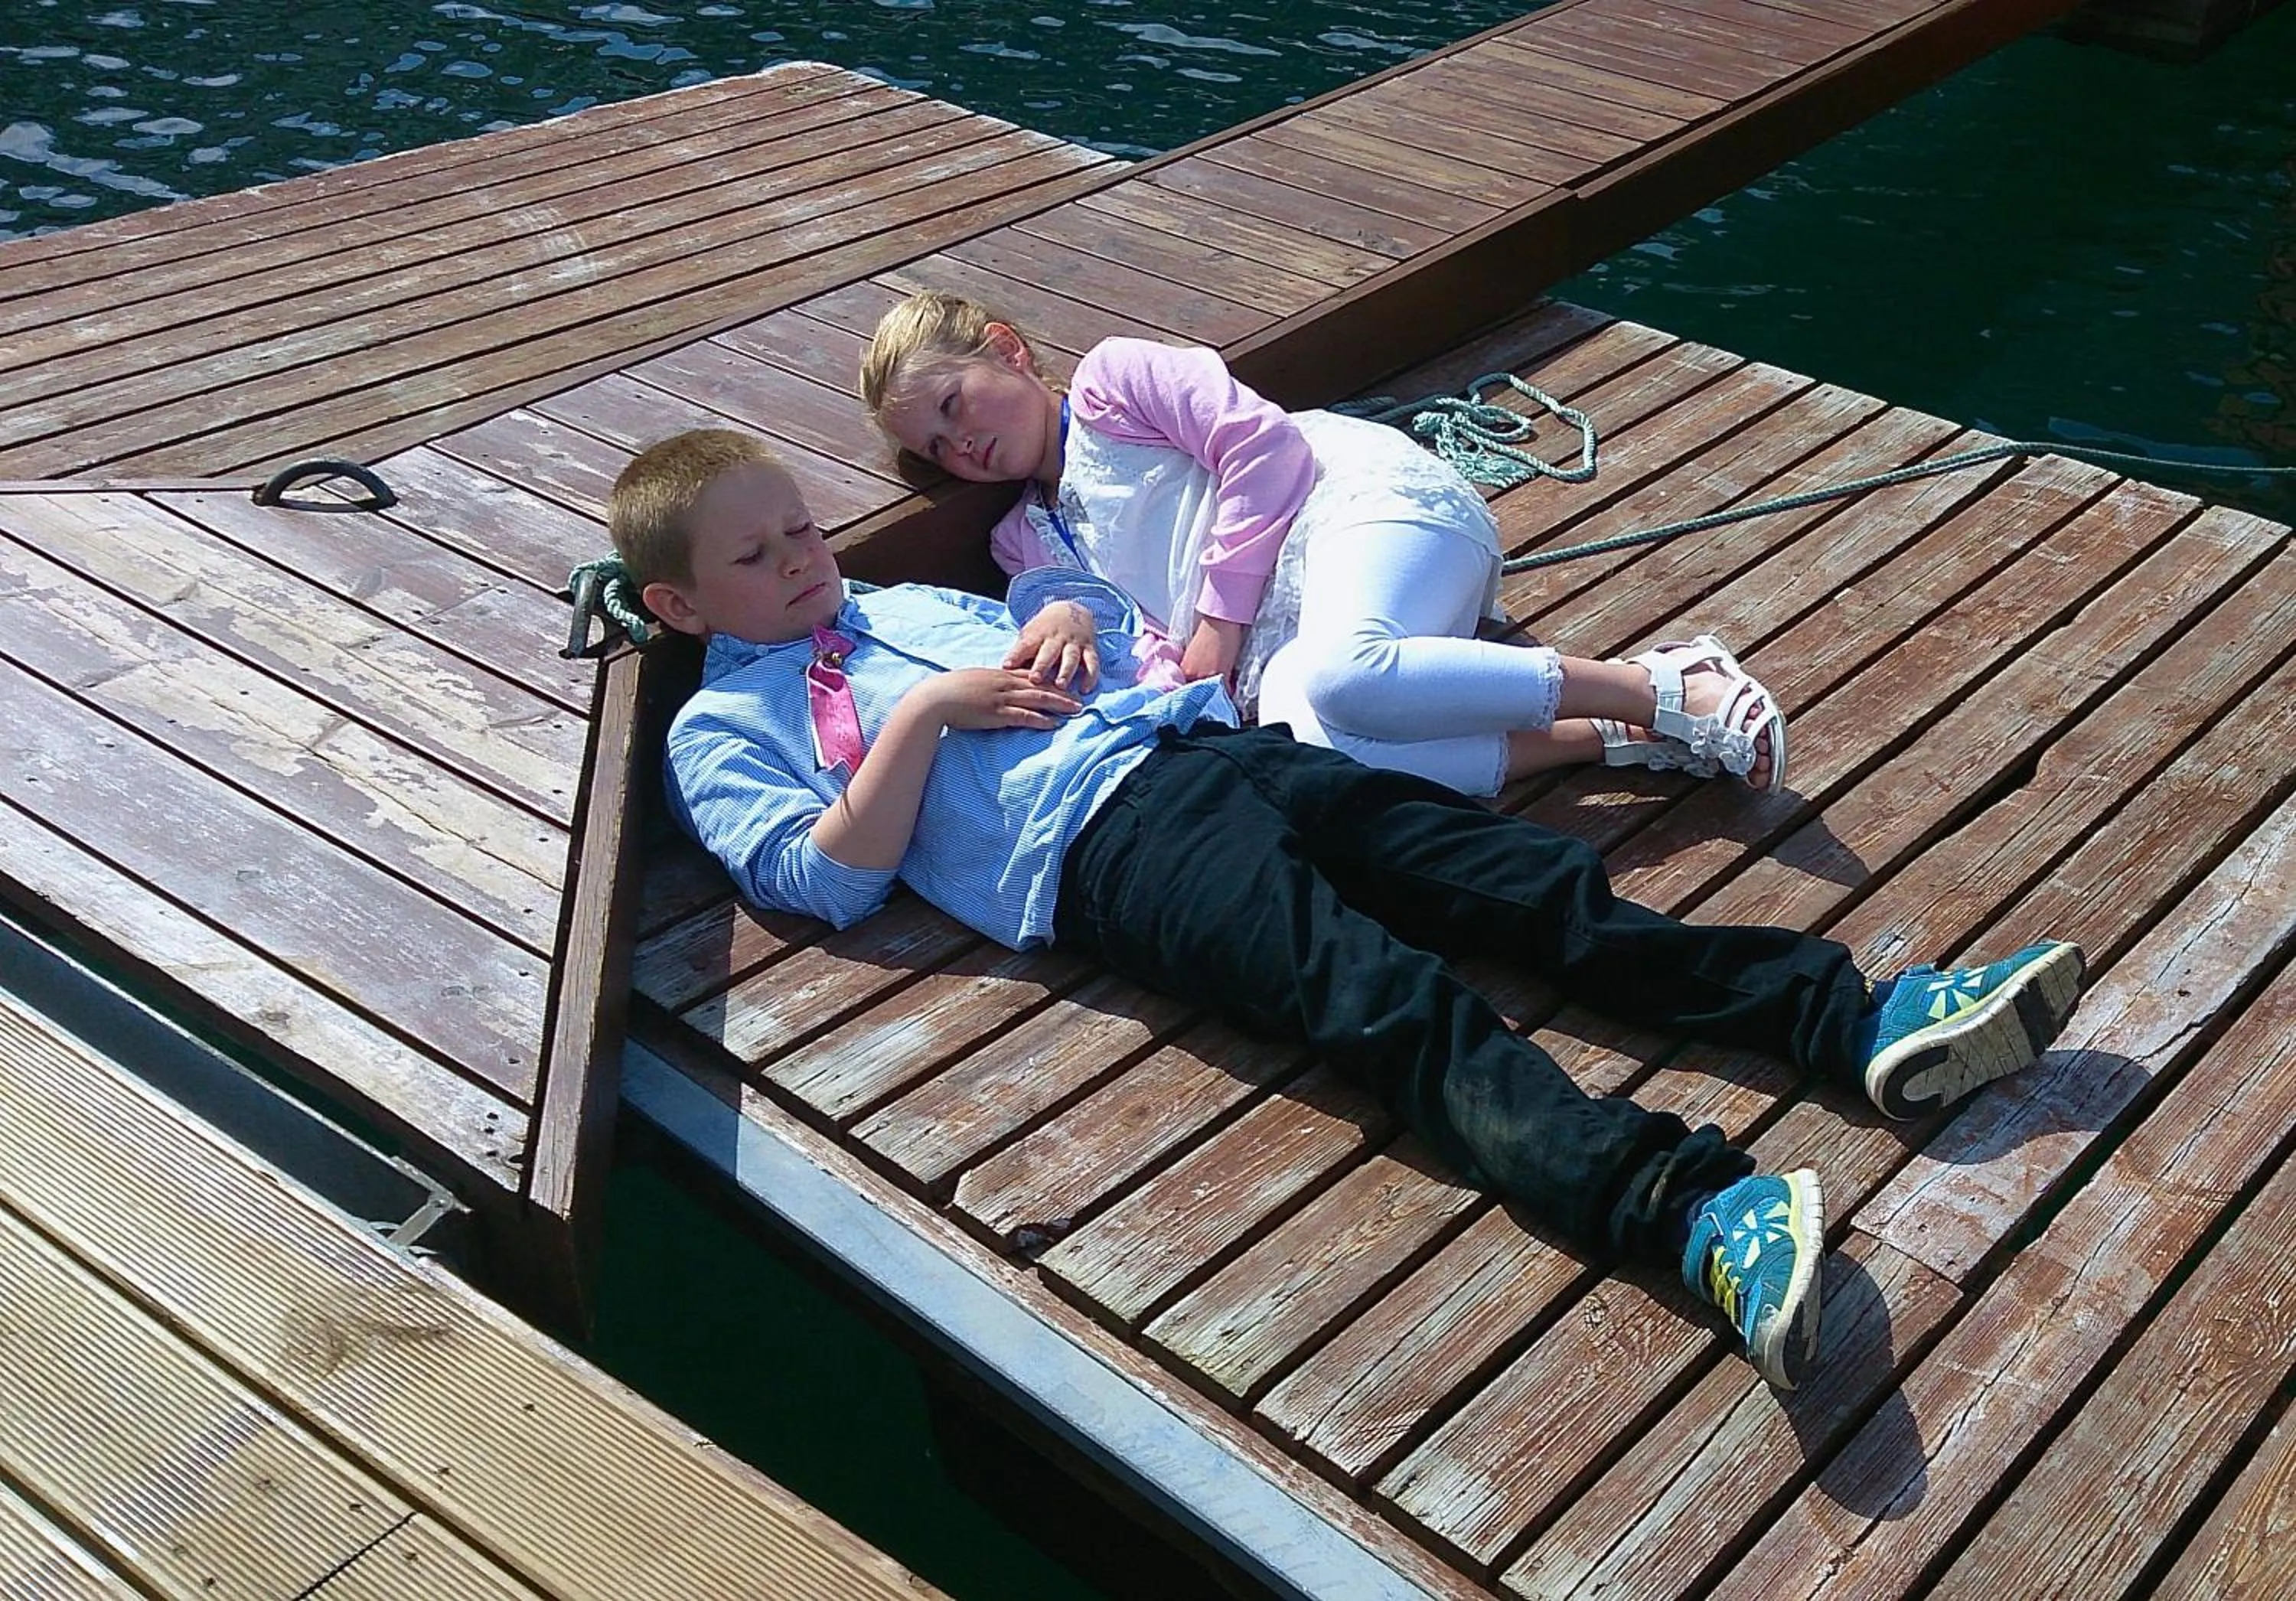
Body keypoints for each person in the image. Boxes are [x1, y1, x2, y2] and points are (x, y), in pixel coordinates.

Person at [618, 428, 2087, 1391]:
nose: (805, 560)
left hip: (1206, 747)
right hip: (1110, 856)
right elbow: (822, 878)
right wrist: (926, 719)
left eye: (804, 529)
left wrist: (1053, 614)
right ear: (680, 608)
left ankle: (1858, 1018)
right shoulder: (720, 728)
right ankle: (1690, 1211)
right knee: (1386, 1005)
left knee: (1533, 888)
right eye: (756, 558)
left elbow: (1079, 635)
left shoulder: (890, 607)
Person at [858, 290, 1786, 797]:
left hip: (1361, 510)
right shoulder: (1028, 538)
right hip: (1289, 646)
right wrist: (1155, 662)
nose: (960, 445)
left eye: (954, 405)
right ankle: (1606, 739)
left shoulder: (1111, 383)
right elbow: (1129, 639)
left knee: (1344, 673)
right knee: (1315, 748)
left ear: (1008, 350)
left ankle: (1665, 682)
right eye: (936, 448)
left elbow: (1263, 447)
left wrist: (1216, 625)